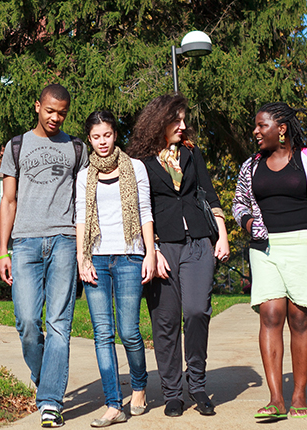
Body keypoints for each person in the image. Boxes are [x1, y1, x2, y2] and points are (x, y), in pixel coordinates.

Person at [126, 94, 230, 418]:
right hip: (161, 248)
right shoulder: (139, 161)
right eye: (177, 120)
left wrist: (222, 234)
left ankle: (197, 384)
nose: (183, 126)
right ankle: (172, 392)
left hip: (199, 241)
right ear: (159, 121)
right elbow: (137, 209)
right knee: (165, 322)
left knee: (198, 311)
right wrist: (151, 250)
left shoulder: (191, 152)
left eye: (184, 119)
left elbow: (209, 192)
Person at [232, 102, 307, 419]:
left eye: (261, 126)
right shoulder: (251, 166)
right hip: (265, 248)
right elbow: (239, 204)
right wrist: (249, 223)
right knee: (271, 313)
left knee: (300, 318)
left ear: (281, 128)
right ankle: (276, 398)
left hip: (303, 243)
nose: (255, 132)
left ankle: (300, 393)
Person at [0, 83, 88, 428]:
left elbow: (83, 203)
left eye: (62, 113)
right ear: (37, 106)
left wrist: (84, 249)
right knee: (27, 322)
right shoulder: (17, 146)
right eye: (50, 110)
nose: (55, 117)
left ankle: (50, 401)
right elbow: (8, 200)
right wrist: (3, 250)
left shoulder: (76, 148)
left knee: (59, 324)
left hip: (65, 239)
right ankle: (43, 375)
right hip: (24, 243)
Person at [74, 110, 156, 427]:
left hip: (129, 255)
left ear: (114, 135)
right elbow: (81, 218)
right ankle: (112, 404)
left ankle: (139, 385)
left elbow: (145, 212)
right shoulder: (84, 176)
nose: (102, 142)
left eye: (106, 135)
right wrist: (83, 258)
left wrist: (150, 252)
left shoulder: (134, 168)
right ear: (90, 139)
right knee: (102, 334)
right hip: (96, 257)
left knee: (129, 332)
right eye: (96, 137)